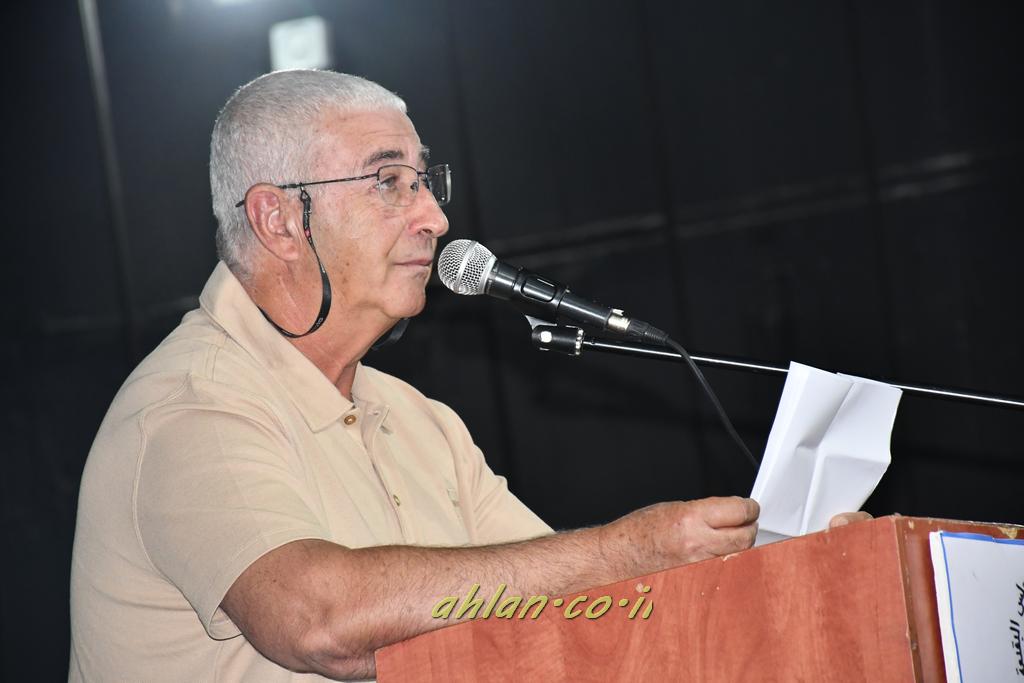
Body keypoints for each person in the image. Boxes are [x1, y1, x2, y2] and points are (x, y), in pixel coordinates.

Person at [69, 70, 868, 682]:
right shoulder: (190, 405)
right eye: (389, 182)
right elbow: (317, 619)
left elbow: (577, 610)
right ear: (279, 219)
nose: (436, 217)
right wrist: (632, 548)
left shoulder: (420, 421)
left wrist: (776, 568)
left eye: (425, 180)